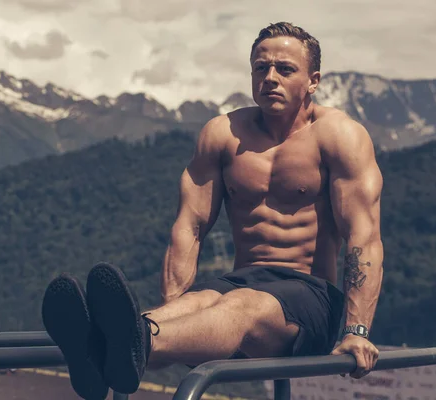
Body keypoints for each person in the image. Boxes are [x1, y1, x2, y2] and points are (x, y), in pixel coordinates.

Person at [41, 21, 384, 399]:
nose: (270, 77)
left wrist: (357, 331)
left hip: (312, 299)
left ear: (313, 80)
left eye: (285, 69)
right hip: (241, 280)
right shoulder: (223, 134)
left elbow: (363, 238)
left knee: (240, 306)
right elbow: (189, 227)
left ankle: (123, 342)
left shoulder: (340, 136)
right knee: (198, 303)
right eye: (260, 67)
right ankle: (100, 351)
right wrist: (178, 312)